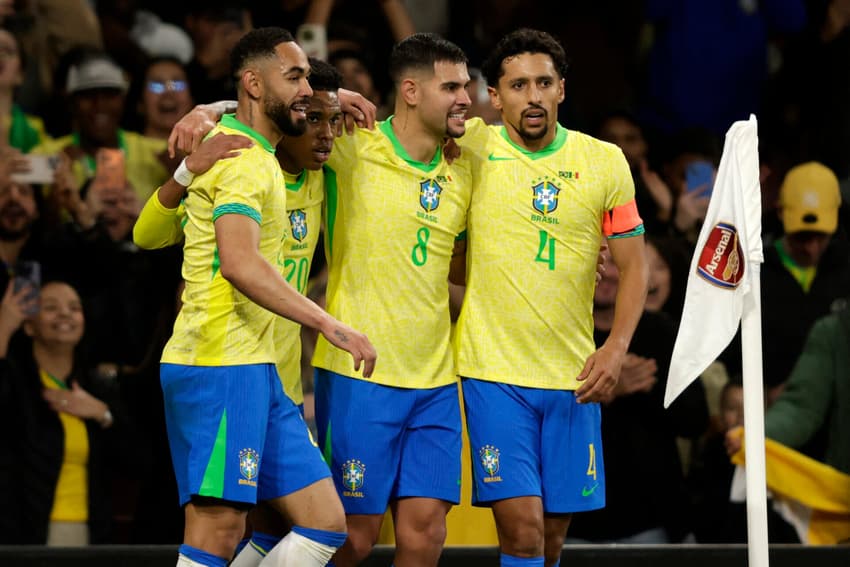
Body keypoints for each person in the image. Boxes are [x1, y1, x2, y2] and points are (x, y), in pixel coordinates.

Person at [158, 27, 375, 567]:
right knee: (218, 528)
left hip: (260, 368)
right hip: (220, 358)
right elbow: (238, 263)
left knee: (324, 523)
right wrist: (328, 324)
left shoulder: (267, 157)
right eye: (295, 77)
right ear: (256, 84)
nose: (304, 89)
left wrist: (323, 97)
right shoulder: (240, 159)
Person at [453, 29, 649, 567]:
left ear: (562, 88)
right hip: (492, 372)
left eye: (543, 83)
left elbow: (635, 266)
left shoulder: (605, 161)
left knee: (552, 539)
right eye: (518, 85)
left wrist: (615, 349)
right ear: (495, 96)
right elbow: (397, 128)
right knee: (523, 533)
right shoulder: (469, 148)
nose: (533, 96)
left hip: (573, 376)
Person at [310, 33, 473, 566]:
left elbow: (459, 263)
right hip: (360, 373)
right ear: (410, 91)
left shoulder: (465, 167)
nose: (466, 98)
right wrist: (327, 100)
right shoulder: (351, 147)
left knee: (425, 535)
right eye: (450, 87)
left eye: (466, 86)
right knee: (352, 538)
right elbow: (268, 114)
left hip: (436, 380)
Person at [566, 246, 708, 545]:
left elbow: (696, 419)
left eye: (615, 263)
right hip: (572, 522)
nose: (606, 272)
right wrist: (605, 389)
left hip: (654, 520)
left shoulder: (661, 332)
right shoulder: (558, 333)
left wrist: (648, 388)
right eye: (597, 261)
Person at [0, 280, 123, 545]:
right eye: (51, 307)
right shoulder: (15, 382)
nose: (65, 314)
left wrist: (103, 414)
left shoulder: (97, 386)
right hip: (24, 534)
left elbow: (136, 458)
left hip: (92, 533)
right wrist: (3, 328)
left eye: (74, 308)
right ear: (29, 326)